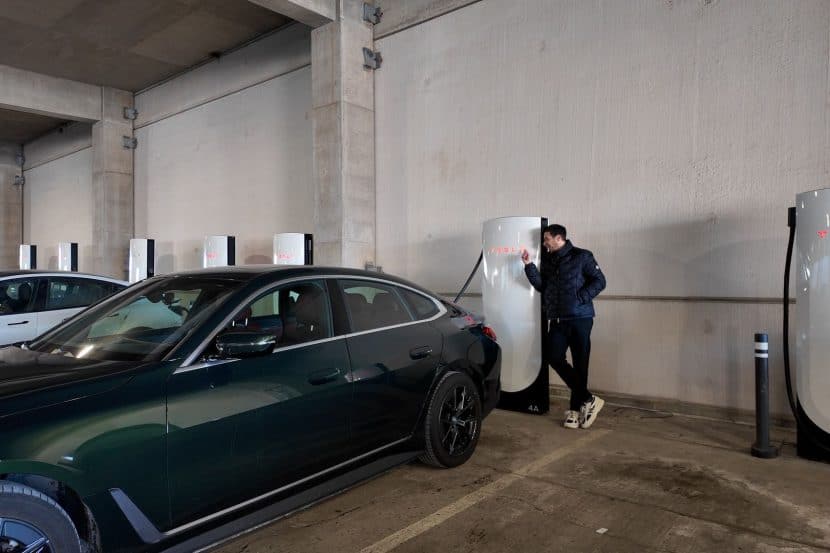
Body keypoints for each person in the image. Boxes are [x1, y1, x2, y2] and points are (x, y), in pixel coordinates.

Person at [521, 224, 606, 429]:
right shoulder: (549, 261)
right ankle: (589, 399)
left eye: (547, 239)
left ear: (559, 238)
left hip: (580, 319)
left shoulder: (582, 256)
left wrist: (579, 298)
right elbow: (542, 286)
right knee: (554, 357)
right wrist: (529, 266)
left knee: (580, 364)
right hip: (558, 320)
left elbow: (600, 281)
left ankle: (576, 412)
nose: (544, 243)